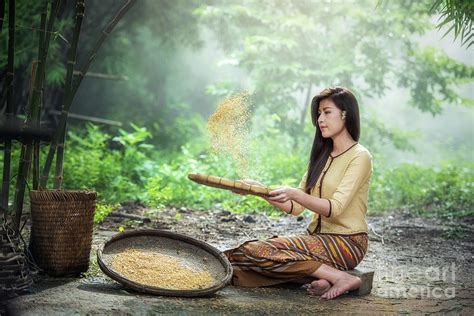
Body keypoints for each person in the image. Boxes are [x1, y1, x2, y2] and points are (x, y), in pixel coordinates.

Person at [225, 86, 373, 300]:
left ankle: (341, 277)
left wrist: (295, 194)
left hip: (347, 242)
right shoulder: (321, 156)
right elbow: (295, 208)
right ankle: (323, 277)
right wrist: (257, 189)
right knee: (237, 259)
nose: (320, 119)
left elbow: (335, 208)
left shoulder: (360, 156)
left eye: (327, 112)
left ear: (345, 114)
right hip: (317, 241)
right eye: (319, 113)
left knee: (257, 251)